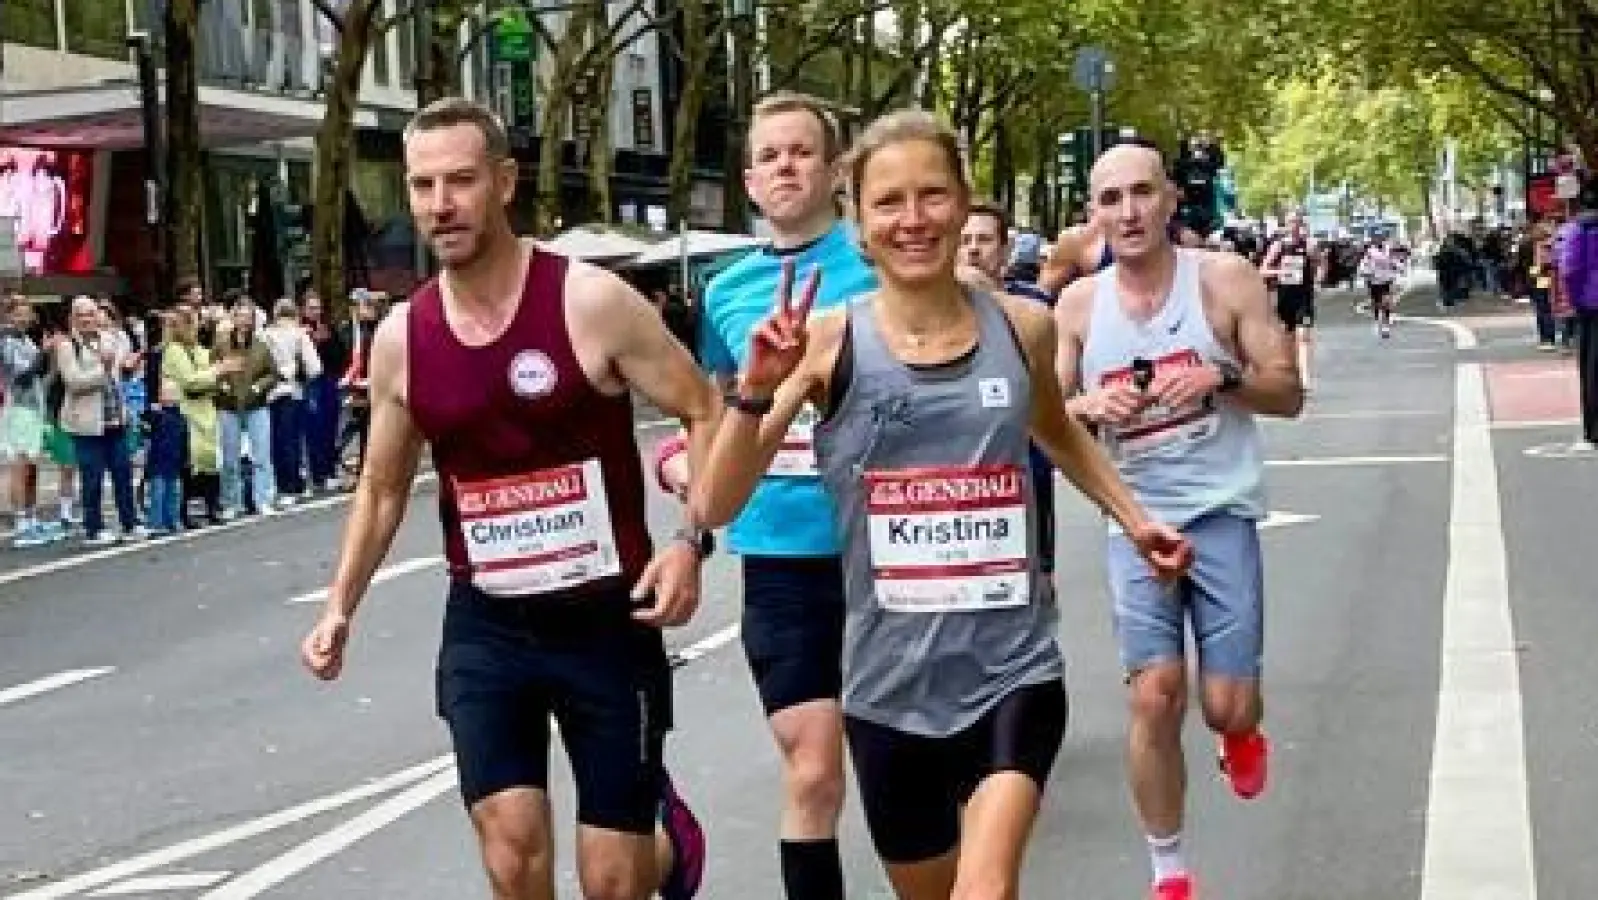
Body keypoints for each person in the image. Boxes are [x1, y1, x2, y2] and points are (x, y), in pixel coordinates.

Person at [690, 109, 1191, 900]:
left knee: (983, 889)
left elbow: (1057, 431)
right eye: (889, 202)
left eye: (932, 195)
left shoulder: (1021, 325)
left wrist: (1136, 520)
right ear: (859, 220)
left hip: (1012, 670)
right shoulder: (823, 342)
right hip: (887, 689)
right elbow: (717, 502)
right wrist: (754, 390)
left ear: (963, 203)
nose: (913, 219)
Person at [299, 97, 712, 900]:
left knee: (613, 883)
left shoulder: (588, 301)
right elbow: (383, 486)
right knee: (513, 852)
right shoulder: (402, 339)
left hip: (604, 619)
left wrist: (690, 540)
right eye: (421, 185)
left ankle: (665, 848)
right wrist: (339, 605)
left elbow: (704, 411)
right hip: (488, 621)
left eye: (460, 180)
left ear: (505, 181)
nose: (440, 204)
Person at [1055, 143, 1304, 900]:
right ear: (1092, 215)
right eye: (1109, 199)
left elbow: (1288, 393)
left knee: (1225, 703)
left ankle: (1241, 732)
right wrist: (1088, 407)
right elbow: (1045, 419)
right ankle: (1170, 873)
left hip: (1220, 512)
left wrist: (1222, 377)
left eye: (1141, 194)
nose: (1127, 213)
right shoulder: (1077, 306)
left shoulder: (1223, 280)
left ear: (1169, 201)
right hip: (1135, 521)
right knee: (1154, 693)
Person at [662, 90, 877, 900]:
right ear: (750, 180)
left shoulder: (882, 267)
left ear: (835, 170)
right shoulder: (724, 292)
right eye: (768, 155)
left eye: (802, 151)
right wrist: (690, 534)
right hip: (781, 556)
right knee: (815, 769)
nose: (785, 166)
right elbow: (714, 416)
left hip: (885, 552)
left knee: (912, 764)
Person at [959, 201, 1060, 598]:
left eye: (983, 240)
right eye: (964, 240)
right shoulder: (917, 318)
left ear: (1004, 250)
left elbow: (1059, 417)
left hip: (1024, 483)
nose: (972, 249)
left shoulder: (1035, 313)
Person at [1260, 212, 1327, 389]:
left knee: (1303, 335)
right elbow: (1263, 270)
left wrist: (1319, 278)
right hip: (1284, 296)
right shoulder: (1279, 246)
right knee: (1287, 338)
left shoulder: (1310, 245)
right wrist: (1280, 273)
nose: (1294, 226)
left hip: (1304, 295)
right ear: (1286, 225)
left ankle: (1305, 377)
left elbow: (1321, 263)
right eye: (1291, 223)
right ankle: (1292, 372)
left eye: (1297, 223)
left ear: (1302, 224)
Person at [1556, 177, 1598, 449]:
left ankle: (1594, 429)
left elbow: (1569, 270)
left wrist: (1572, 301)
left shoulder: (1578, 229)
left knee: (1592, 367)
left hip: (1591, 306)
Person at [1357, 232, 1402, 339]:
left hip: (1386, 279)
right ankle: (1377, 322)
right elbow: (1364, 264)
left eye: (1381, 238)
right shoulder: (1370, 251)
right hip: (1374, 281)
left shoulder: (1388, 250)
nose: (1379, 241)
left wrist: (1399, 267)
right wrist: (1365, 271)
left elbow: (1394, 261)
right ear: (1373, 240)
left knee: (1386, 301)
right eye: (1376, 239)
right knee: (1376, 302)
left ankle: (1386, 325)